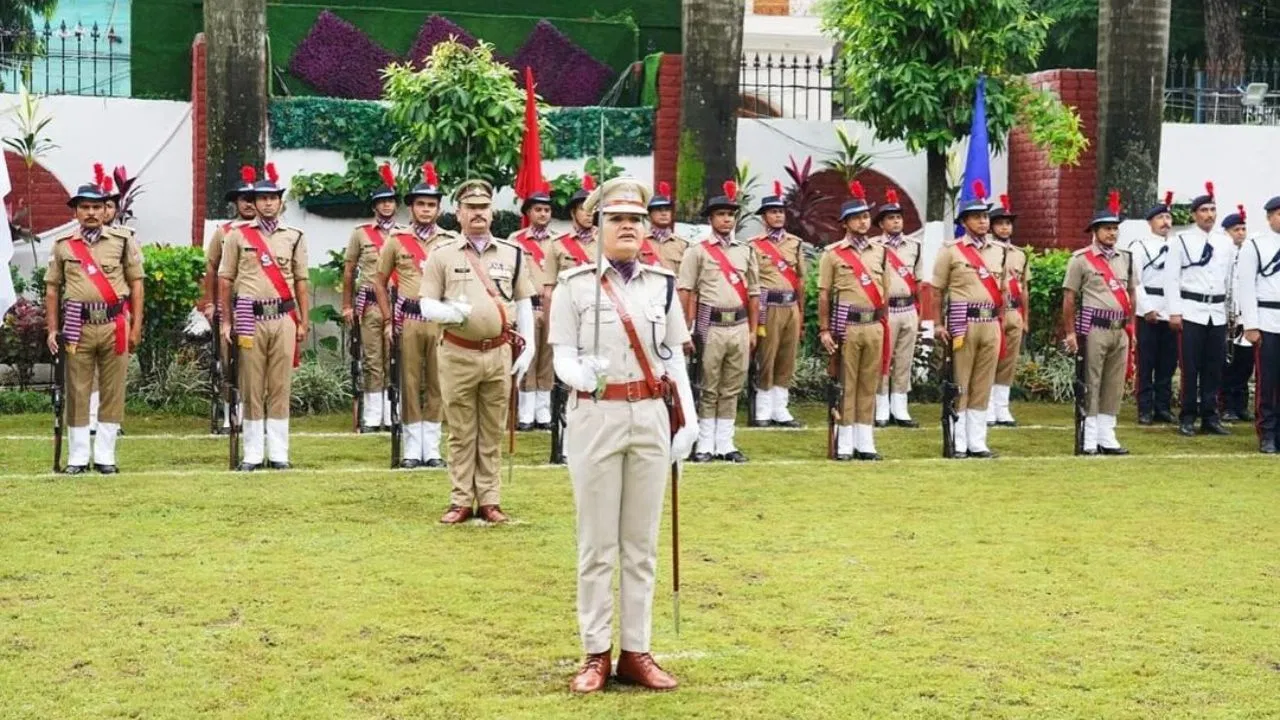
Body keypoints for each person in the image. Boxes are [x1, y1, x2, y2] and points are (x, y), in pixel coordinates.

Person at [548, 177, 698, 694]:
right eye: (617, 219)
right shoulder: (574, 285)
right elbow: (561, 353)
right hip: (597, 415)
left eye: (636, 218)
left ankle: (637, 650)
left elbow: (674, 354)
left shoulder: (662, 284)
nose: (629, 226)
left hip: (652, 413)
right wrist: (577, 374)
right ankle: (595, 652)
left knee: (641, 543)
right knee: (597, 544)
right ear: (597, 227)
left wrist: (690, 418)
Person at [417, 179, 536, 524]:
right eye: (470, 208)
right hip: (457, 352)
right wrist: (451, 313)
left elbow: (525, 303)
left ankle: (490, 500)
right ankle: (460, 500)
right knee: (460, 429)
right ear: (458, 214)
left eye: (483, 208)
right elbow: (425, 304)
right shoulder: (441, 255)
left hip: (498, 353)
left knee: (492, 428)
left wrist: (527, 351)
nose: (478, 214)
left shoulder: (512, 253)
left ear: (493, 212)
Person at [44, 170, 145, 474]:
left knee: (113, 390)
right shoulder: (63, 245)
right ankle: (77, 457)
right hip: (77, 325)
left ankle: (104, 456)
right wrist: (52, 329)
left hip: (115, 323)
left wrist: (137, 325)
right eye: (84, 207)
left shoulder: (123, 240)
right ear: (75, 211)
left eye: (96, 207)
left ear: (105, 210)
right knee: (77, 389)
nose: (91, 212)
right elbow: (52, 288)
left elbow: (137, 283)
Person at [218, 164, 309, 471]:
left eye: (273, 198)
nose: (268, 203)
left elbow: (301, 281)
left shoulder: (294, 237)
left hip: (283, 315)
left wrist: (303, 320)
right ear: (253, 203)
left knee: (280, 384)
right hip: (248, 316)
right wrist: (226, 321)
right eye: (262, 198)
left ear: (280, 201)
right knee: (251, 384)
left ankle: (279, 452)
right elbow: (225, 279)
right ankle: (253, 452)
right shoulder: (236, 236)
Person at [372, 163, 457, 468]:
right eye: (420, 204)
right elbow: (379, 283)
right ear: (411, 207)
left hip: (440, 321)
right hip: (408, 319)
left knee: (437, 383)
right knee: (408, 382)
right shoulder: (396, 241)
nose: (425, 209)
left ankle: (431, 449)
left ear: (438, 208)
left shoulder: (450, 240)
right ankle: (411, 449)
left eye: (431, 204)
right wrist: (386, 319)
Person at [678, 180, 760, 462]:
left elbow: (753, 292)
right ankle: (704, 444)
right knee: (708, 385)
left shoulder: (745, 250)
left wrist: (753, 328)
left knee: (732, 386)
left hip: (738, 325)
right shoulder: (697, 251)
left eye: (731, 215)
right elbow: (686, 291)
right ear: (711, 219)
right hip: (710, 325)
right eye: (721, 214)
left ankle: (725, 442)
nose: (727, 219)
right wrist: (686, 329)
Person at [929, 181, 1006, 458]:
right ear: (965, 221)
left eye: (986, 216)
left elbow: (1005, 289)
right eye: (977, 216)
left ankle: (978, 441)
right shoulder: (951, 250)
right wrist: (938, 324)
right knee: (960, 381)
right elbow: (937, 290)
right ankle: (958, 440)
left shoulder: (1000, 251)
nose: (984, 221)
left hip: (991, 322)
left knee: (983, 383)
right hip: (964, 322)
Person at [1062, 192, 1136, 455]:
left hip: (1120, 328)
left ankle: (1107, 434)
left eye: (1115, 228)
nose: (1112, 233)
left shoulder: (1126, 258)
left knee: (1114, 383)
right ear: (1095, 231)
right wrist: (1070, 332)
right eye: (1107, 228)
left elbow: (1131, 294)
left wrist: (1132, 328)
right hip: (1094, 327)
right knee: (1091, 380)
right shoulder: (1080, 259)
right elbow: (1070, 297)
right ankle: (1089, 436)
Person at [819, 181, 888, 460]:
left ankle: (865, 440)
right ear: (846, 223)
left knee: (869, 383)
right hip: (847, 325)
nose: (864, 221)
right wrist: (824, 329)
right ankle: (845, 440)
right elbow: (824, 294)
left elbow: (885, 291)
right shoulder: (833, 254)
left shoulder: (880, 251)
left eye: (866, 216)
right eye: (858, 217)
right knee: (846, 383)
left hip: (874, 324)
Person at [1163, 182, 1233, 437]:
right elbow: (1170, 278)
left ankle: (1210, 416)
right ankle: (1188, 415)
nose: (1209, 215)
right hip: (1191, 309)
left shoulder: (1224, 242)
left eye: (1213, 210)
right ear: (1194, 214)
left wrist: (1231, 313)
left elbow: (1229, 278)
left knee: (1214, 367)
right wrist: (1174, 311)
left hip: (1216, 311)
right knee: (1190, 367)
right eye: (1204, 210)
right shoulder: (1181, 241)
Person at [197, 167, 257, 434]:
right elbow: (211, 268)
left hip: (260, 306)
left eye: (252, 197)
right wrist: (209, 303)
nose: (248, 202)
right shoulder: (223, 232)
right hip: (229, 305)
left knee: (253, 362)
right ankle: (228, 414)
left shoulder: (270, 233)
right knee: (226, 361)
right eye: (242, 197)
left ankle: (252, 415)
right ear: (235, 202)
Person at [343, 163, 400, 433]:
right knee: (372, 359)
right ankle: (373, 415)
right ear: (374, 207)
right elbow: (349, 269)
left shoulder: (404, 235)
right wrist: (346, 304)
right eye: (382, 202)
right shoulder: (361, 234)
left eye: (390, 202)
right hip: (369, 305)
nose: (387, 206)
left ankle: (391, 413)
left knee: (395, 358)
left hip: (397, 304)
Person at [748, 180, 804, 428]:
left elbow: (800, 279)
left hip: (790, 305)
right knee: (766, 356)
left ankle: (780, 408)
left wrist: (800, 311)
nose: (778, 215)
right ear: (764, 217)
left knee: (787, 356)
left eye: (781, 211)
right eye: (773, 211)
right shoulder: (754, 245)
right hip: (767, 306)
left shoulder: (795, 243)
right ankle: (762, 408)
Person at [872, 188, 921, 429]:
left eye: (899, 217)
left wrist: (920, 313)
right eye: (891, 218)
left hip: (908, 308)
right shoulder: (873, 247)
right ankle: (880, 405)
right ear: (881, 223)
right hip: (885, 310)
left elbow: (920, 281)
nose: (896, 221)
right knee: (883, 358)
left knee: (904, 359)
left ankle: (900, 406)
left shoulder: (914, 246)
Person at [509, 180, 556, 431]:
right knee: (527, 354)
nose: (543, 214)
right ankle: (526, 413)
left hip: (550, 307)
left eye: (547, 210)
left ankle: (543, 412)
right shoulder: (515, 241)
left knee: (547, 359)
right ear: (528, 213)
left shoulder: (558, 242)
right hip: (526, 306)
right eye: (538, 209)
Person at [1236, 196, 1280, 453]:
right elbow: (1246, 287)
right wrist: (1250, 324)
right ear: (1269, 217)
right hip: (1266, 319)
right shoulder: (1255, 245)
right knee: (1268, 379)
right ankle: (1267, 432)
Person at [1131, 192, 1177, 425]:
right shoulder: (1140, 247)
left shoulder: (1178, 247)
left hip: (1171, 310)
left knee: (1167, 363)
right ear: (1150, 222)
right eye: (1160, 218)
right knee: (1146, 362)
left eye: (1167, 218)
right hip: (1148, 309)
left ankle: (1163, 406)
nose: (1165, 222)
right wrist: (1147, 308)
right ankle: (1145, 408)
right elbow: (1135, 281)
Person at [987, 194, 1029, 427]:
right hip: (993, 313)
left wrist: (1025, 317)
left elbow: (1024, 288)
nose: (1005, 227)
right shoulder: (988, 251)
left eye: (1008, 223)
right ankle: (988, 404)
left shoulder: (1020, 254)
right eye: (1000, 223)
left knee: (1009, 361)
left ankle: (1002, 406)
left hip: (1014, 312)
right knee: (991, 358)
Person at [1220, 206, 1254, 422]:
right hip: (1228, 317)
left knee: (1245, 364)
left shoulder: (1250, 253)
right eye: (1236, 230)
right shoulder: (1223, 254)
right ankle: (1226, 405)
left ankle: (1241, 404)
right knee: (1228, 365)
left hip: (1246, 317)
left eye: (1243, 229)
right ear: (1226, 232)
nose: (1240, 233)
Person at [643, 181, 690, 276]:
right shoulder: (639, 242)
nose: (664, 213)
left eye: (667, 210)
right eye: (658, 210)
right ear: (649, 215)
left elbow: (687, 277)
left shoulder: (683, 245)